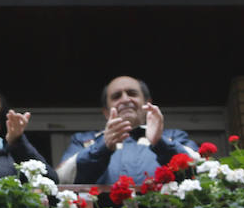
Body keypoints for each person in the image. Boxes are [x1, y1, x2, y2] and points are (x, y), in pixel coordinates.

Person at [57, 75, 198, 185]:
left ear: (148, 104)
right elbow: (62, 178)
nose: (125, 99)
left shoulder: (173, 137)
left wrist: (160, 142)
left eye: (132, 93)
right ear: (106, 112)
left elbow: (198, 169)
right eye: (116, 96)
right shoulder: (85, 141)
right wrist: (102, 146)